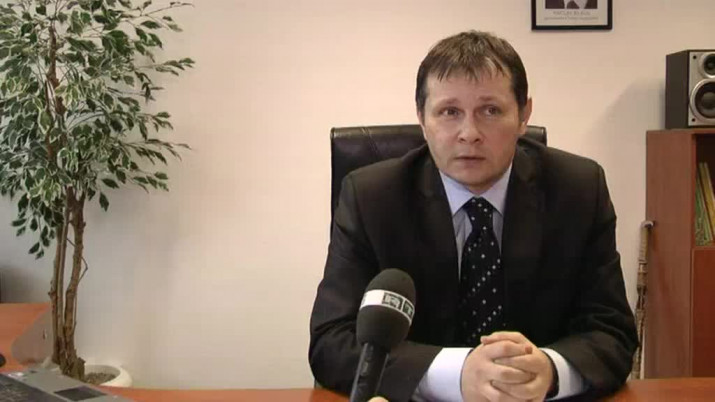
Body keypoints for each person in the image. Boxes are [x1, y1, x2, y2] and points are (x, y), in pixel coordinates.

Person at [309, 31, 637, 402]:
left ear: (524, 115)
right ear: (421, 118)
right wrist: (457, 374)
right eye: (449, 112)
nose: (469, 134)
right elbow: (331, 342)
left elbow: (612, 332)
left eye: (491, 111)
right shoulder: (372, 198)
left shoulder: (578, 190)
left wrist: (550, 370)